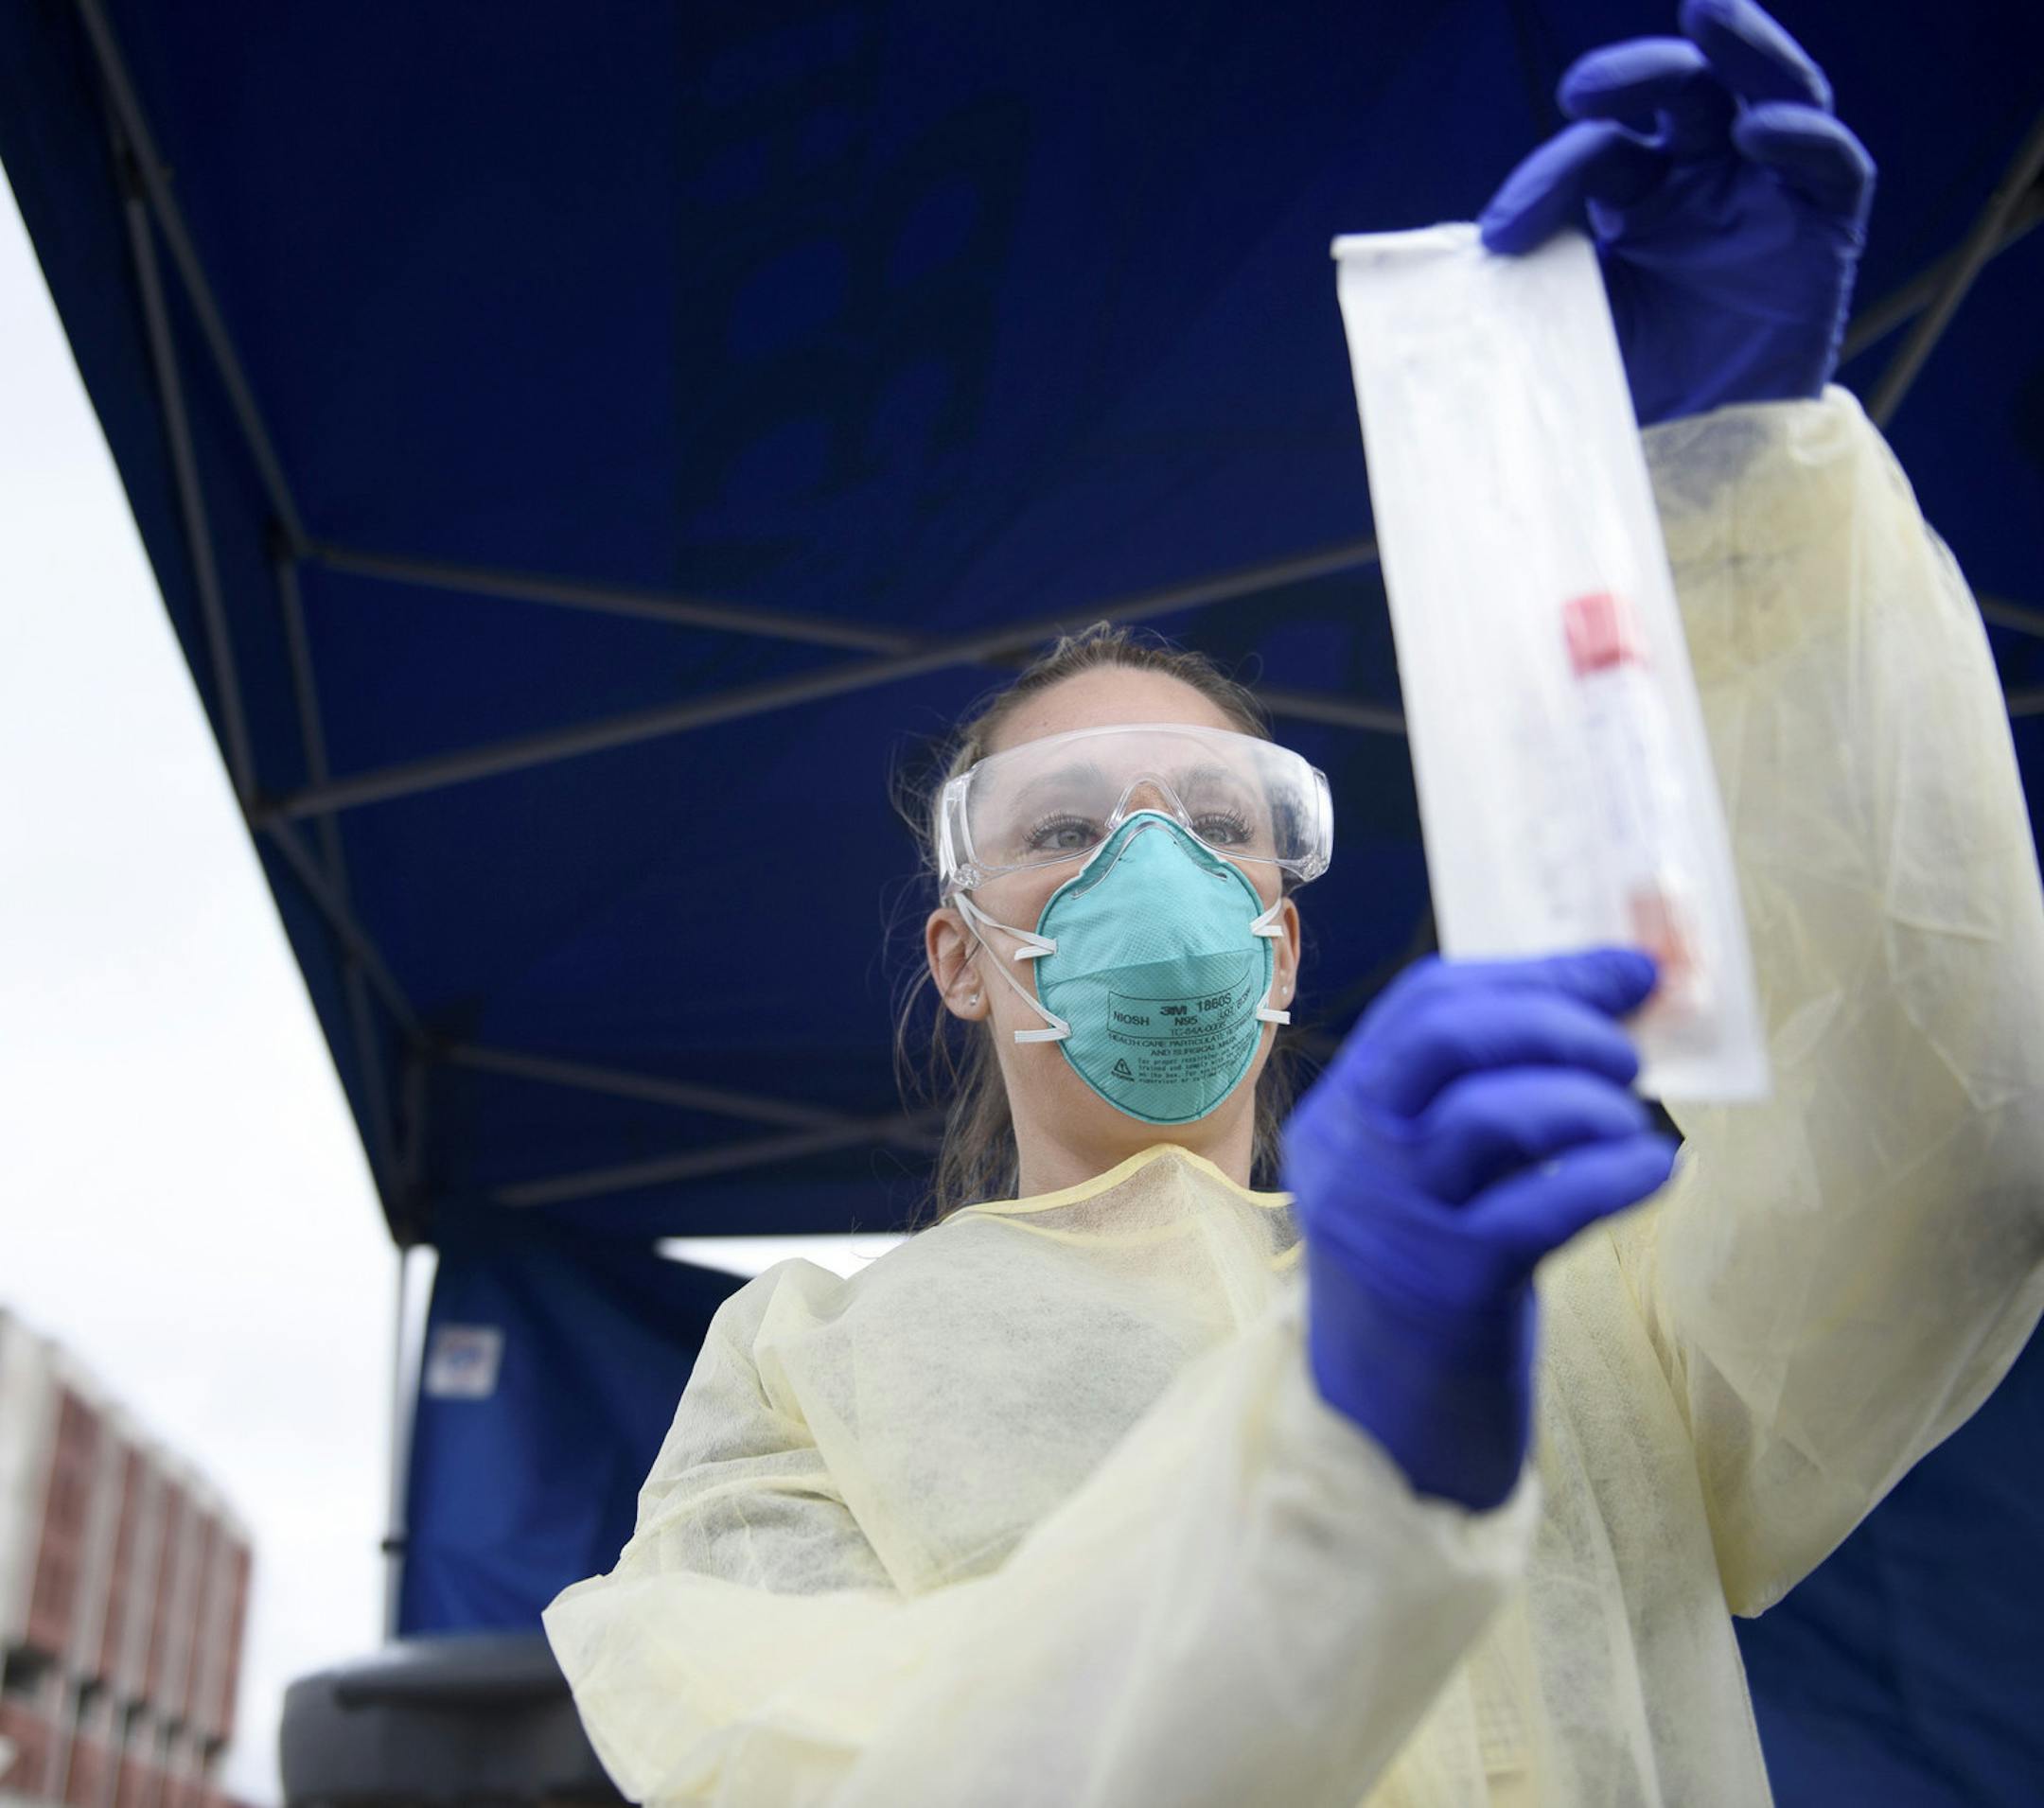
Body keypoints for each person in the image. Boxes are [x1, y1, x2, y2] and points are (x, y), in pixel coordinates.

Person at [545, 4, 2044, 1801]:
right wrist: (1351, 1432)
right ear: (960, 949)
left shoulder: (1579, 1299)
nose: (1150, 867)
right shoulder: (808, 1378)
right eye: (1064, 828)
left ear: (1289, 930)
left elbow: (1941, 1159)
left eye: (1218, 823)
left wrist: (1742, 500)